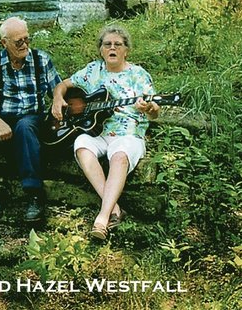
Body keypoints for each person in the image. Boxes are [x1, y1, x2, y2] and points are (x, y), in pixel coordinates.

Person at [51, 24, 160, 240]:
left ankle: (102, 218)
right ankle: (115, 207)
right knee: (81, 144)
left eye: (118, 45)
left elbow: (155, 111)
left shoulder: (138, 75)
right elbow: (62, 85)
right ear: (101, 50)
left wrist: (149, 108)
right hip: (98, 133)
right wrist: (57, 99)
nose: (112, 48)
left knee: (119, 157)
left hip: (129, 133)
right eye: (107, 44)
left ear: (126, 50)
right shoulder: (93, 70)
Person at [0, 17, 61, 222]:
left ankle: (34, 193)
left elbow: (58, 87)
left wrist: (57, 99)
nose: (24, 45)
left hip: (33, 118)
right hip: (3, 118)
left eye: (26, 39)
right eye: (18, 42)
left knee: (25, 126)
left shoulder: (41, 60)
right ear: (4, 43)